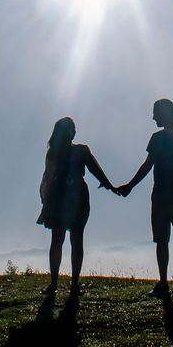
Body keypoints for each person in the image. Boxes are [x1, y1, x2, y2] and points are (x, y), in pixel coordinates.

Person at [118, 98, 173, 298]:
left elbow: (148, 165)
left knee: (165, 241)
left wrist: (130, 186)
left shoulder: (158, 139)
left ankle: (167, 283)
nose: (153, 117)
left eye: (155, 113)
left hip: (164, 196)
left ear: (164, 113)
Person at [37, 117, 116, 295]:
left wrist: (109, 185)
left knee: (63, 240)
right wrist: (110, 186)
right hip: (69, 197)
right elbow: (96, 170)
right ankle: (68, 284)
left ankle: (61, 284)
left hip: (67, 197)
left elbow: (49, 178)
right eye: (72, 128)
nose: (74, 131)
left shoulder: (58, 152)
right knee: (70, 240)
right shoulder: (78, 151)